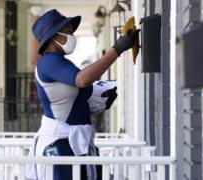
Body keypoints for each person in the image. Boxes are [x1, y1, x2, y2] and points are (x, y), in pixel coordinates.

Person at [26, 9, 138, 180]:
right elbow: (82, 80)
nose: (72, 36)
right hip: (60, 144)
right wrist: (116, 49)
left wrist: (97, 101)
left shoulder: (60, 61)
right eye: (68, 31)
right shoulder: (48, 62)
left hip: (74, 142)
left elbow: (73, 99)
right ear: (53, 36)